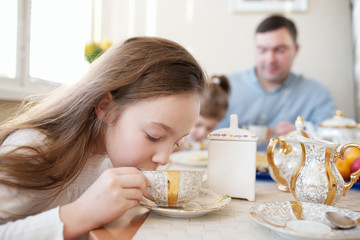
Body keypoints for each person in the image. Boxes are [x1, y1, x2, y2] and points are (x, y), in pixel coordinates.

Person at [0, 36, 206, 239]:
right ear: (106, 107)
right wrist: (80, 214)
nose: (164, 158)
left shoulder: (109, 162)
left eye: (176, 142)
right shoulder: (33, 149)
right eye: (154, 136)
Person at [217, 15, 336, 150]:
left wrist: (304, 137)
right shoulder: (226, 87)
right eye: (262, 50)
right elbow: (205, 133)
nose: (270, 59)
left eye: (279, 50)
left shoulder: (318, 95)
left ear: (295, 50)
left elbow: (331, 146)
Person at [179, 75, 230, 151]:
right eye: (198, 125)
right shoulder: (176, 137)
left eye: (209, 128)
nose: (202, 133)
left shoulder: (210, 142)